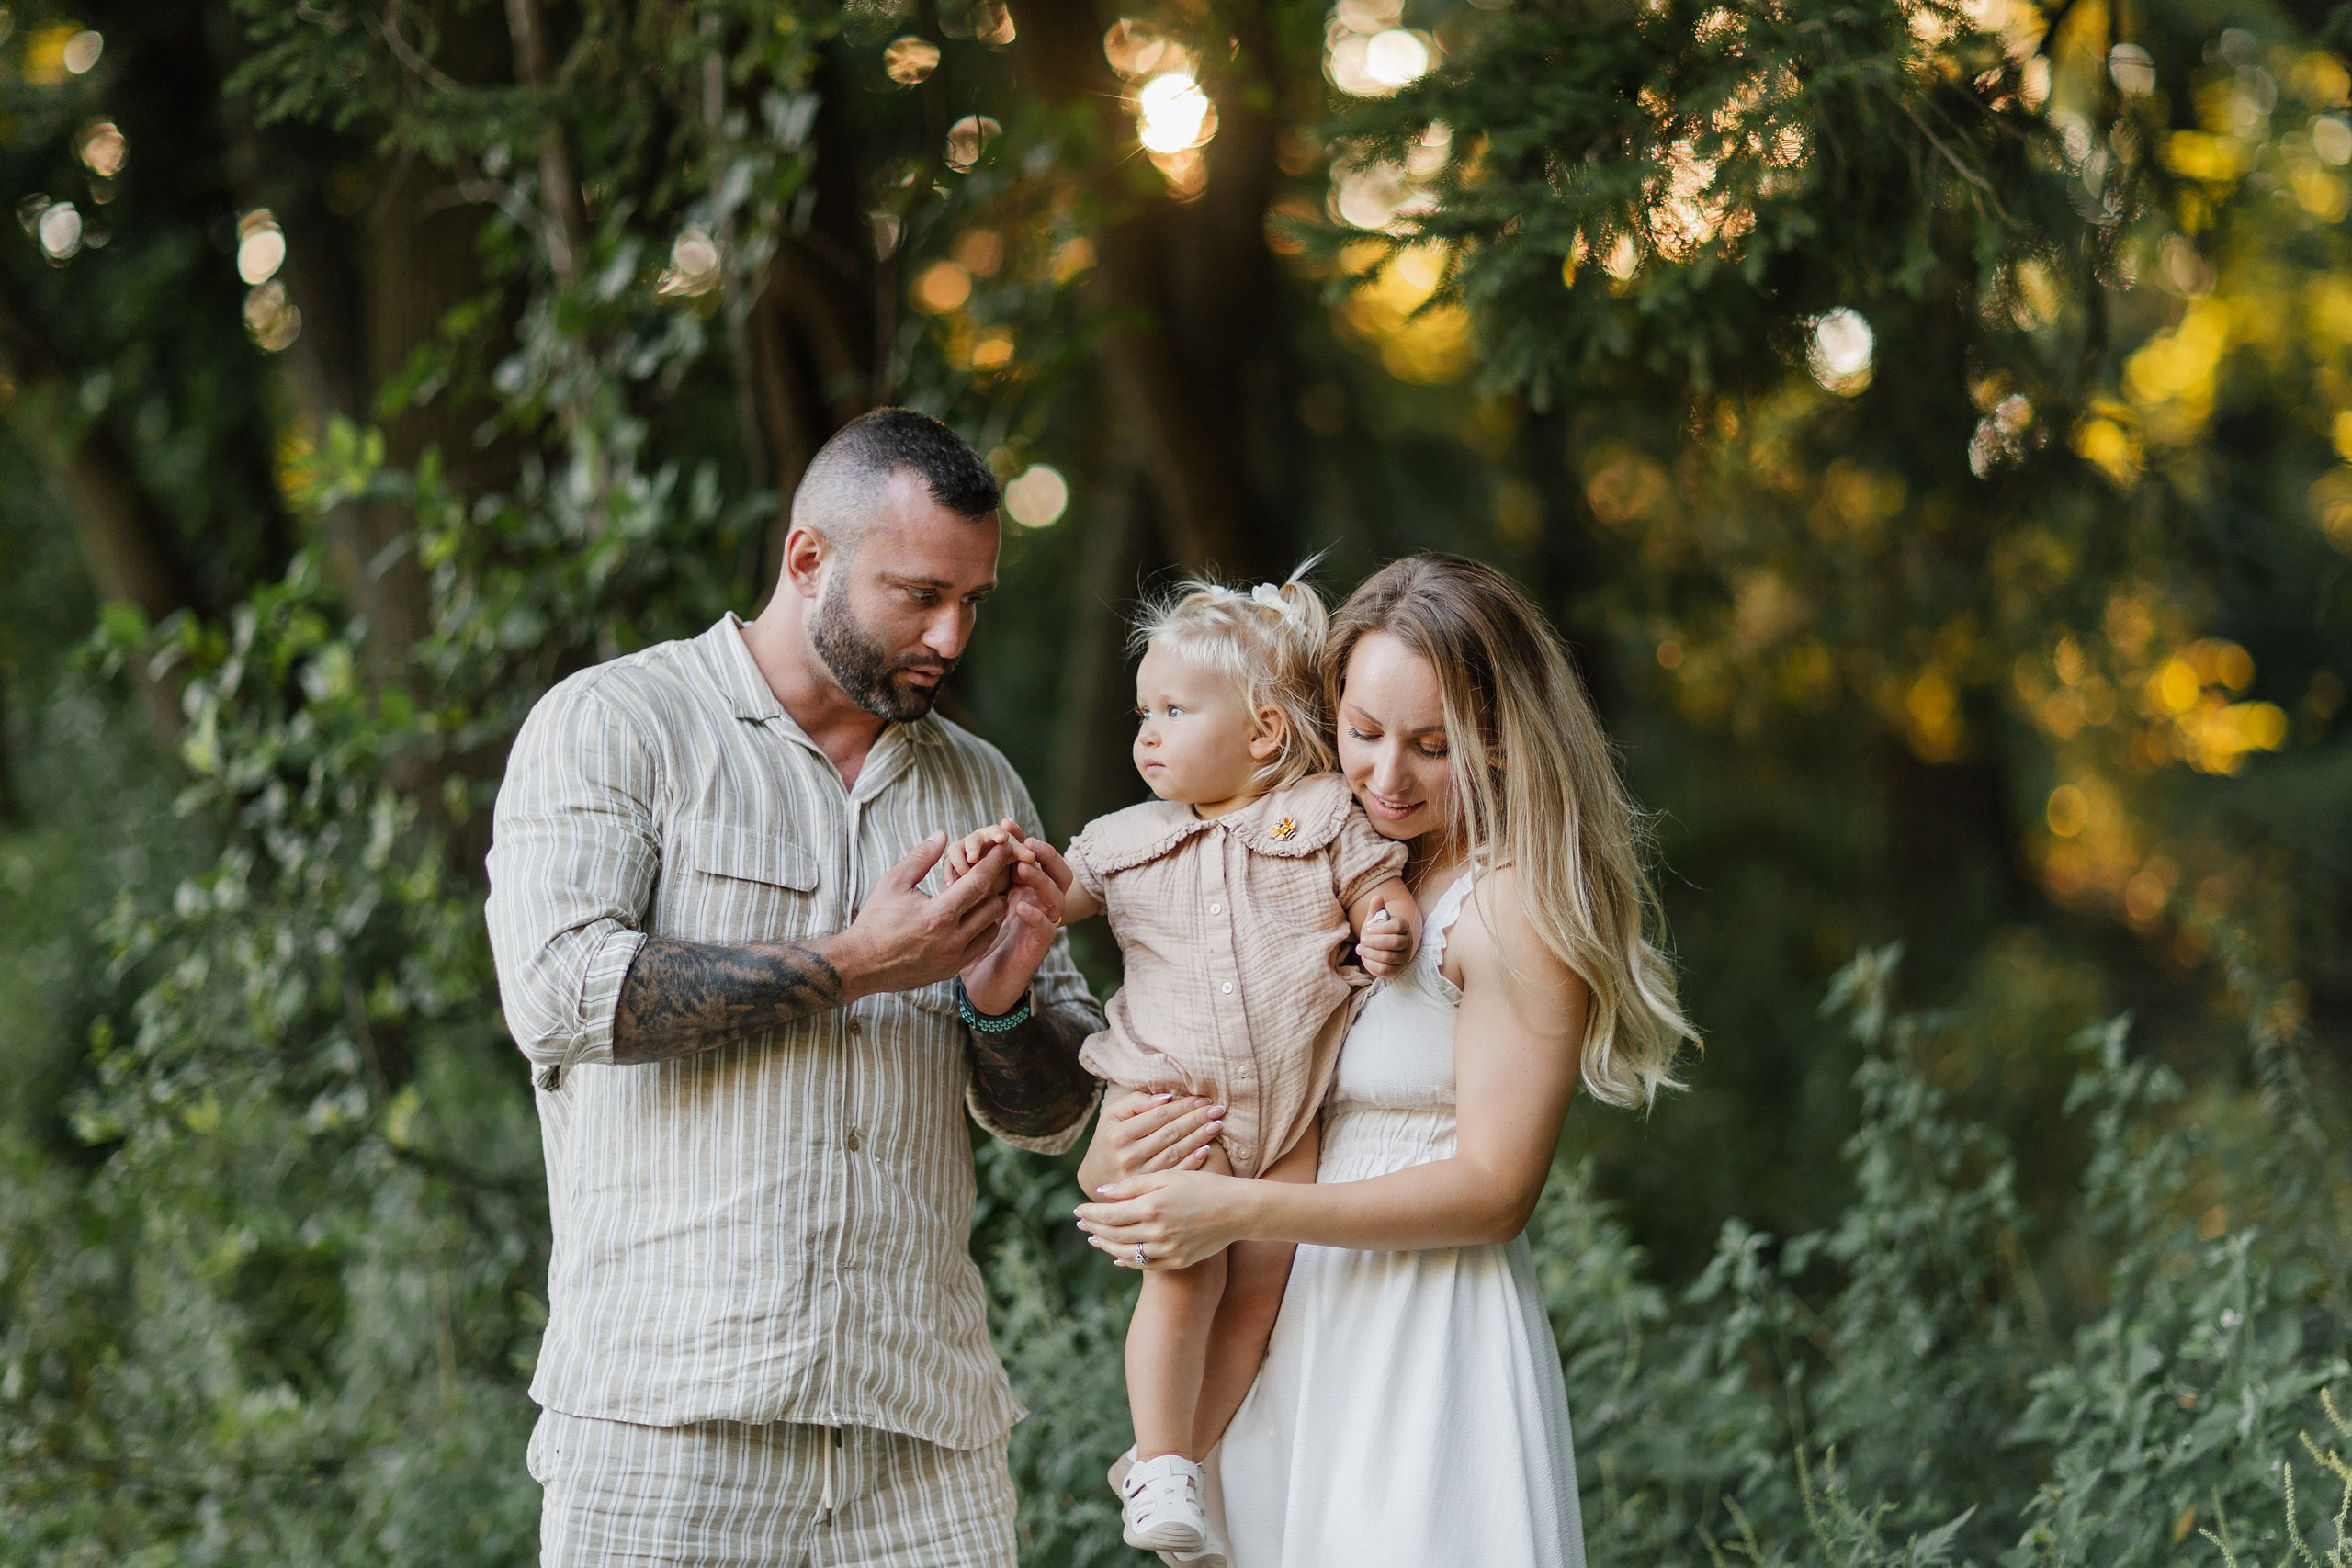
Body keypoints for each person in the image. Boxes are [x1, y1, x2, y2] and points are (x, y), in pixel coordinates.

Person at [483, 408, 1106, 1567]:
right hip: (664, 1425)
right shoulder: (618, 724)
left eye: (973, 601)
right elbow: (560, 994)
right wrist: (861, 961)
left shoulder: (980, 783)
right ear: (808, 558)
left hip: (923, 1440)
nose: (951, 636)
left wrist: (1001, 1004)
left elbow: (1051, 1117)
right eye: (919, 595)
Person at [1074, 552, 1697, 1567]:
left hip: (1426, 1330)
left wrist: (1233, 1211)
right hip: (1301, 1314)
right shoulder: (1339, 868)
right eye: (1363, 733)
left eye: (1432, 746)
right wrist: (1126, 1151)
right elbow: (1227, 1083)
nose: (1386, 777)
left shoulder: (1510, 904)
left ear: (1501, 742)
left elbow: (1495, 1193)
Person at [944, 567, 1419, 1559]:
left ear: (1264, 732)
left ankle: (1177, 1463)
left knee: (1259, 1298)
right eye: (1141, 713)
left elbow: (1378, 887)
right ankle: (1162, 1456)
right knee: (1186, 1278)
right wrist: (1001, 864)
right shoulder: (1125, 841)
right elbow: (1051, 894)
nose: (1146, 736)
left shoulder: (1322, 815)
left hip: (1290, 1116)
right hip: (1179, 1110)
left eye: (1171, 711)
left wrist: (1387, 921)